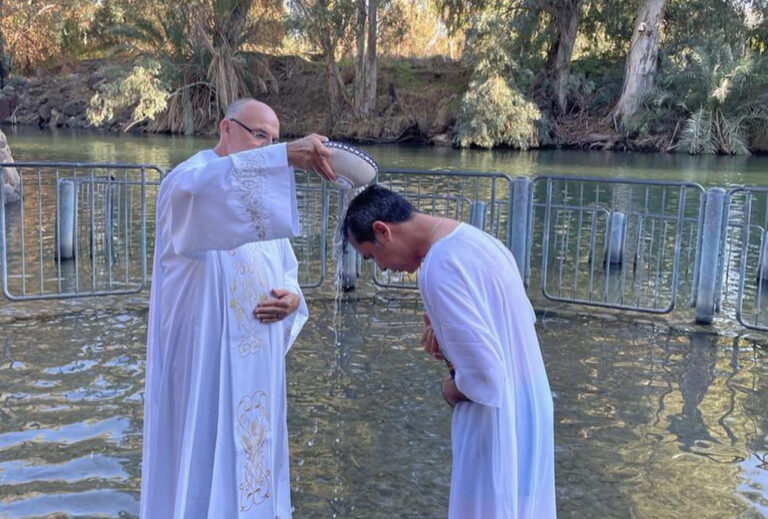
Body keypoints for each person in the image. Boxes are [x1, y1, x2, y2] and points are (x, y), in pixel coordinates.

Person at [140, 98, 336, 518]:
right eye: (260, 135)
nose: (267, 146)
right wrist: (284, 156)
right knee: (202, 451)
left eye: (274, 139)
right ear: (225, 128)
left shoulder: (261, 201)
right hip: (204, 360)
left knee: (254, 461)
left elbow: (286, 268)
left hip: (257, 363)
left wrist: (293, 298)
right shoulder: (186, 182)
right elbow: (208, 190)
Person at [342, 185, 556, 519]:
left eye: (371, 256)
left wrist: (450, 389)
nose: (381, 268)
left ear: (382, 231)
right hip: (531, 406)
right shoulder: (482, 242)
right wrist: (449, 349)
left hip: (494, 425)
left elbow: (486, 378)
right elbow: (510, 331)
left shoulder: (438, 267)